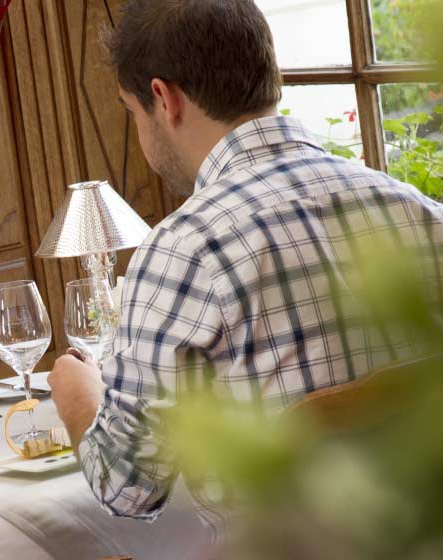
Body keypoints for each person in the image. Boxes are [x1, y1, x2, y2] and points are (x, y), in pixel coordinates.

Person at [48, 0, 443, 537]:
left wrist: (77, 390)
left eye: (131, 111)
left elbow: (128, 489)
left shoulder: (182, 252)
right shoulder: (419, 211)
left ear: (163, 99)